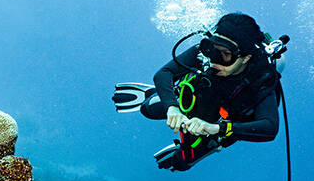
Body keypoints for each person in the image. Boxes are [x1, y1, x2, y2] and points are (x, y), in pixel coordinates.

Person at [113, 13, 282, 171]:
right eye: (212, 49)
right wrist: (172, 107)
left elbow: (269, 128)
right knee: (148, 108)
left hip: (219, 124)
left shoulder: (261, 79)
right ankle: (169, 94)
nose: (214, 60)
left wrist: (217, 128)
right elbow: (163, 73)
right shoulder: (204, 53)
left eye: (225, 54)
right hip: (196, 97)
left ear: (246, 57)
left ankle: (210, 145)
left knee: (181, 164)